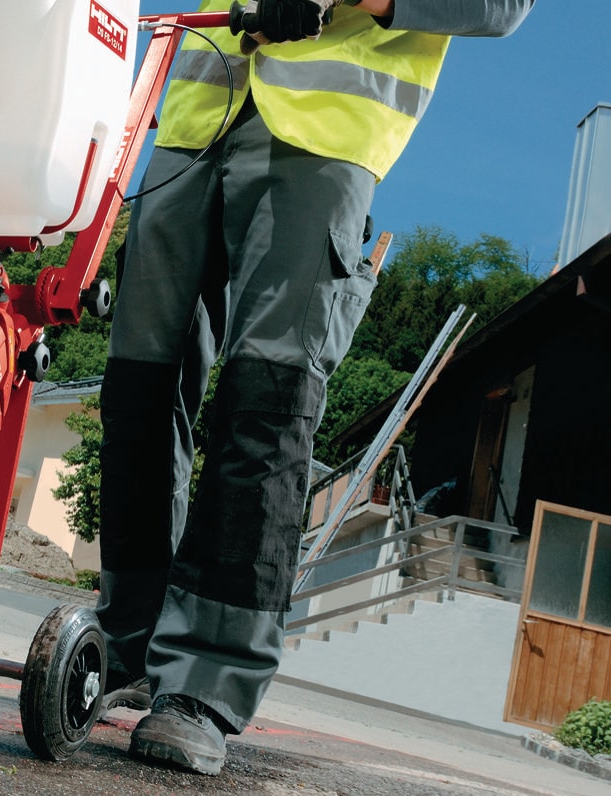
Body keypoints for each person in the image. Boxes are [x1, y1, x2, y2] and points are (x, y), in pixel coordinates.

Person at [94, 0, 531, 776]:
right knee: (136, 390)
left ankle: (203, 685)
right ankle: (126, 644)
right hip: (192, 123)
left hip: (322, 136)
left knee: (264, 403)